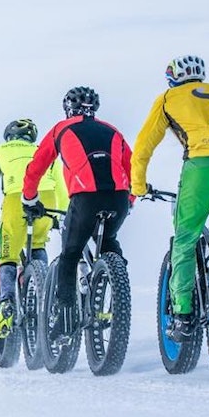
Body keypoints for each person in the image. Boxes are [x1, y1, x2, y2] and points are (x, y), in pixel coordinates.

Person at [131, 55, 209, 341]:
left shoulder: (168, 98)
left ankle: (183, 315)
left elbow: (144, 145)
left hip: (201, 164)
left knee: (186, 235)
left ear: (173, 77)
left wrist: (137, 185)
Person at [22, 86, 134, 338]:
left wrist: (29, 198)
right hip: (118, 198)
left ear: (67, 109)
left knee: (70, 254)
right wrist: (131, 198)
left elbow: (36, 167)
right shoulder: (113, 131)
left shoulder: (61, 129)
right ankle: (117, 289)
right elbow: (133, 167)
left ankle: (64, 319)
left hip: (85, 199)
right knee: (107, 241)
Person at [0, 118, 67, 338]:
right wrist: (62, 216)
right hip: (46, 200)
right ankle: (45, 296)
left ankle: (7, 301)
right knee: (38, 244)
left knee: (8, 256)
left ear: (9, 136)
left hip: (16, 200)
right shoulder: (42, 150)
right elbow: (61, 186)